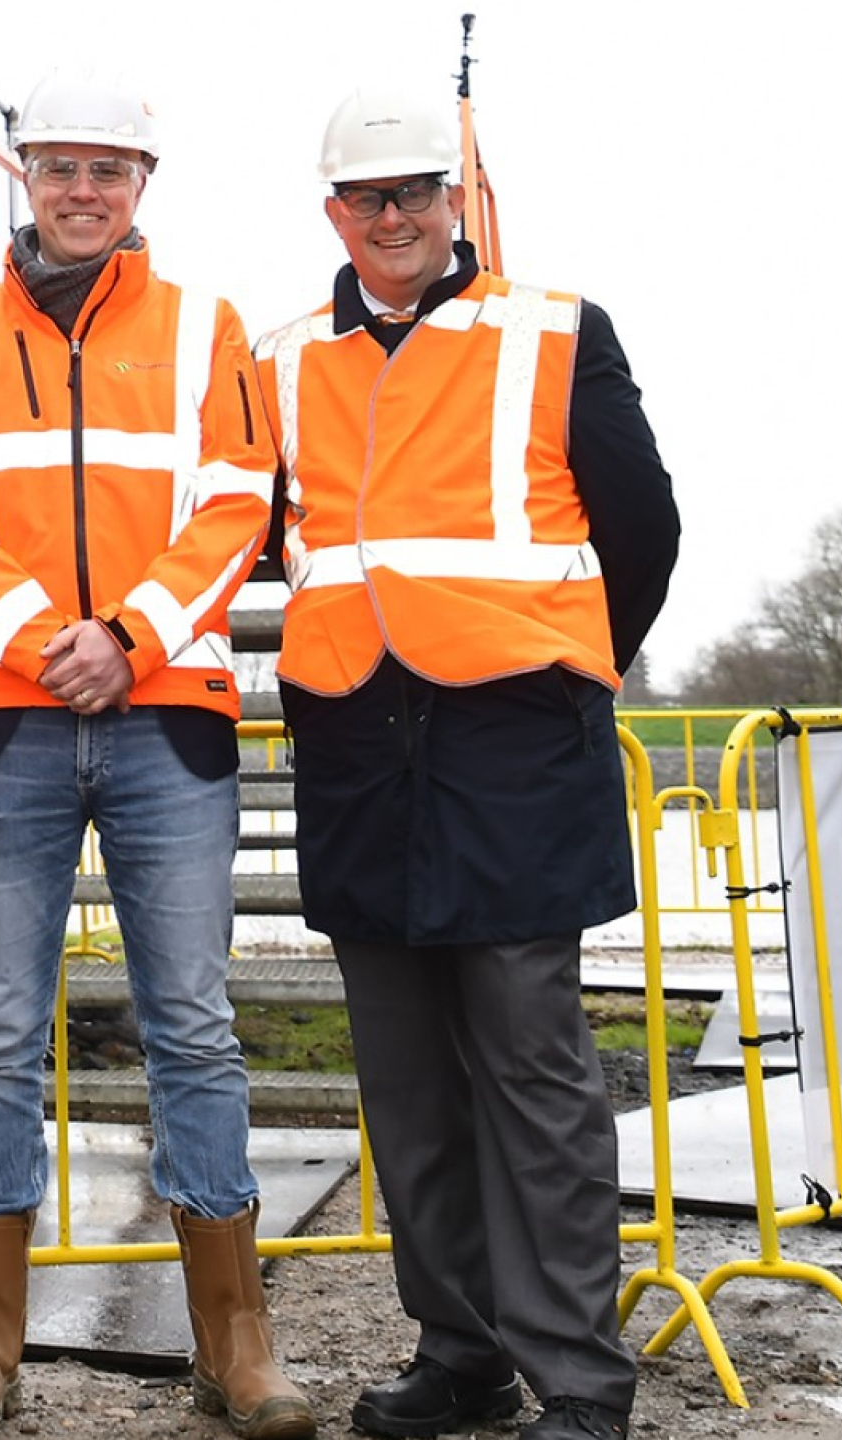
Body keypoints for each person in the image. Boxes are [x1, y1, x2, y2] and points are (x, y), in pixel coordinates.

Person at [250, 90, 680, 1440]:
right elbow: (255, 535)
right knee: (407, 1085)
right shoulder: (280, 360)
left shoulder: (556, 330)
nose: (393, 217)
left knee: (534, 1077)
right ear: (335, 212)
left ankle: (581, 1382)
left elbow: (643, 531)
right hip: (357, 751)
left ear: (454, 199)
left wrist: (564, 667)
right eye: (367, 197)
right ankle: (462, 1354)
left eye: (415, 192)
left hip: (514, 749)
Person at [0, 72, 308, 1438]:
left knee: (191, 1021)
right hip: (7, 716)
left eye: (108, 170)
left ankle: (235, 1343)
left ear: (142, 186)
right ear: (27, 176)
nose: (83, 191)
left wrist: (127, 638)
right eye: (61, 167)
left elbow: (236, 501)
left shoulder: (205, 327)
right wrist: (40, 639)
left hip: (165, 706)